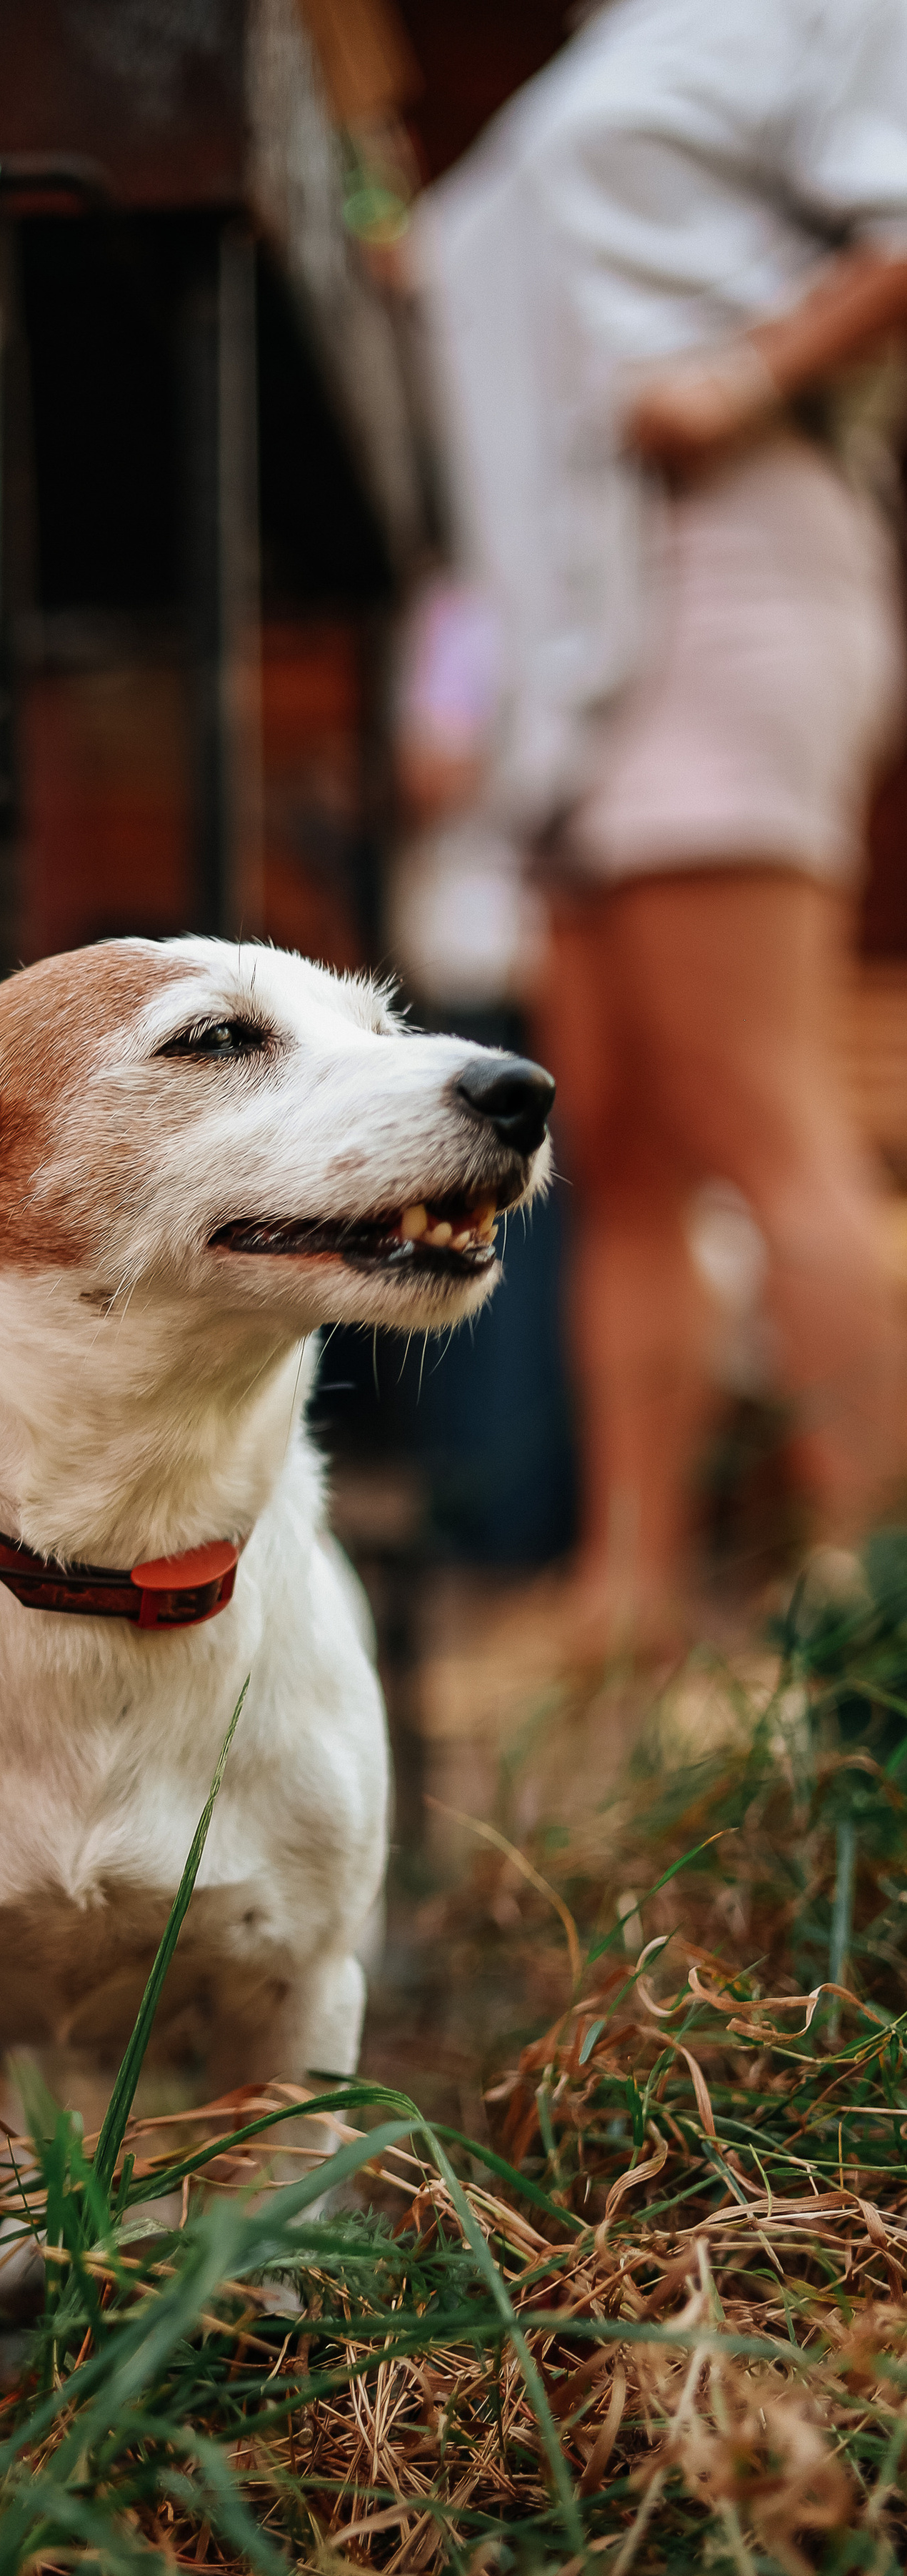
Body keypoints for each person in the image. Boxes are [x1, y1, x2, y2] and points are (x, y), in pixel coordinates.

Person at [419, 0, 907, 1654]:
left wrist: (742, 375)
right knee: (606, 1148)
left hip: (725, 562)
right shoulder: (605, 45)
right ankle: (627, 1589)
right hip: (573, 631)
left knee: (766, 1128)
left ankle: (874, 1611)